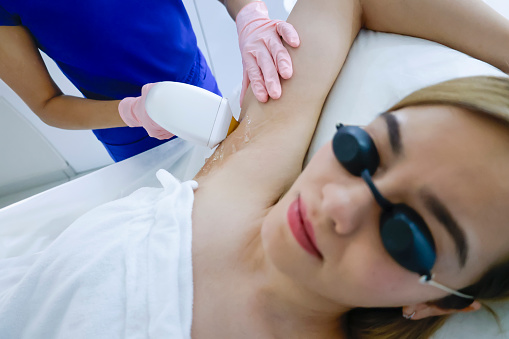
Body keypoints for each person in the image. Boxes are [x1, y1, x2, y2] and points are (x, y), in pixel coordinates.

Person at [1, 0, 509, 338]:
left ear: (442, 303)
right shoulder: (251, 164)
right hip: (134, 122)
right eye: (363, 151)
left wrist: (248, 12)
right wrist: (129, 111)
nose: (335, 204)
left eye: (406, 233)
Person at [0, 0, 300, 161]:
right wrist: (132, 113)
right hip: (129, 129)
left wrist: (251, 16)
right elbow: (46, 104)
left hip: (196, 82)